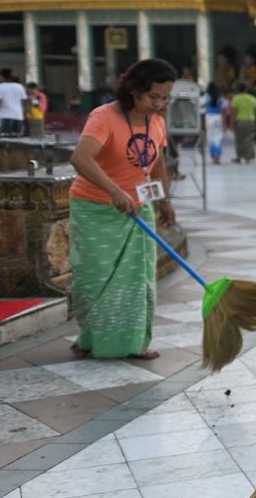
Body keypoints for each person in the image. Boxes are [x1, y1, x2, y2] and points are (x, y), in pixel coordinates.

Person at [68, 58, 177, 360]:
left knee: (137, 279)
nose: (159, 103)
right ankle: (90, 337)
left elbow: (156, 164)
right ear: (133, 89)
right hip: (95, 208)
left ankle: (132, 342)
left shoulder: (156, 122)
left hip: (138, 209)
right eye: (153, 96)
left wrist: (165, 201)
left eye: (166, 97)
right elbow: (80, 158)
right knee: (94, 278)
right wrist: (113, 190)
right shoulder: (104, 117)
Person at [0, 68, 28, 136]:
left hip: (5, 117)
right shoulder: (20, 87)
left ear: (1, 76)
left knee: (6, 140)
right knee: (18, 140)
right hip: (18, 116)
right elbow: (25, 102)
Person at [229, 83, 256, 163]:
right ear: (246, 89)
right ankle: (248, 158)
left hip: (240, 121)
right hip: (251, 120)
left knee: (239, 139)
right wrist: (254, 120)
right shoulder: (252, 98)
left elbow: (234, 113)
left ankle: (239, 157)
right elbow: (254, 111)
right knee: (249, 139)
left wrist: (232, 123)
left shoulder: (235, 98)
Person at [202, 82, 226, 164]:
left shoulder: (206, 97)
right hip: (218, 117)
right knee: (218, 138)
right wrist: (225, 123)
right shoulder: (220, 98)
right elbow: (224, 109)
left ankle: (214, 157)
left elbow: (200, 105)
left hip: (209, 117)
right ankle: (218, 157)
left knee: (211, 138)